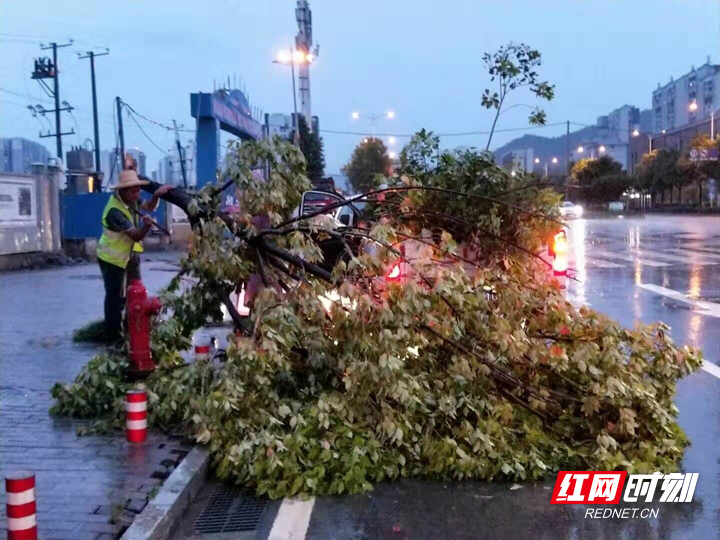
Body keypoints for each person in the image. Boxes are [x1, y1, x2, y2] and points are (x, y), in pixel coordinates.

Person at [97, 169, 173, 342]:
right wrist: (147, 226)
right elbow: (136, 235)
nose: (137, 194)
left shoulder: (131, 198)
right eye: (133, 191)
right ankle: (114, 338)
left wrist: (156, 195)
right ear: (122, 191)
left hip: (129, 255)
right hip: (112, 258)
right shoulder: (114, 212)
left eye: (138, 190)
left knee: (136, 292)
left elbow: (149, 206)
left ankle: (131, 328)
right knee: (115, 299)